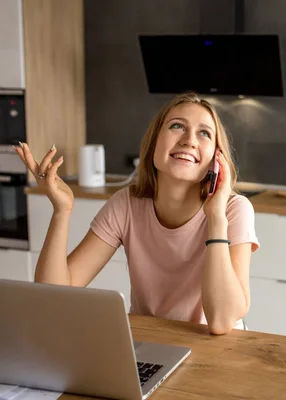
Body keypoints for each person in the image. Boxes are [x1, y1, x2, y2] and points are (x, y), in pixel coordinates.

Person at [13, 92, 260, 335]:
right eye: (177, 126)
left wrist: (216, 218)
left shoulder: (233, 210)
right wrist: (61, 210)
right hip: (150, 344)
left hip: (217, 352)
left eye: (204, 133)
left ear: (216, 160)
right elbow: (55, 294)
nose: (189, 140)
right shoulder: (126, 205)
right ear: (153, 145)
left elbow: (221, 322)